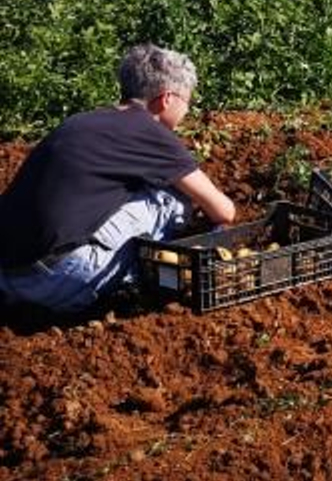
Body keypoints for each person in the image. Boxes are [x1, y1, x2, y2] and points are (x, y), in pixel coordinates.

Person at [0, 44, 236, 315]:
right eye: (187, 102)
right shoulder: (151, 132)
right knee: (172, 198)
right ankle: (141, 280)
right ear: (167, 99)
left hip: (7, 274)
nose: (187, 111)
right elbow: (224, 211)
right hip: (59, 280)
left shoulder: (80, 122)